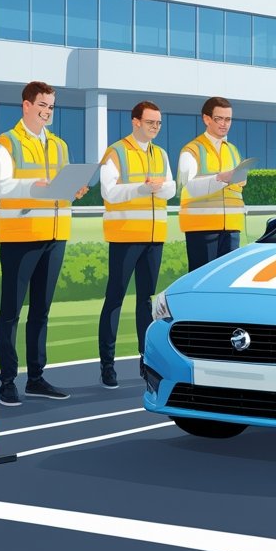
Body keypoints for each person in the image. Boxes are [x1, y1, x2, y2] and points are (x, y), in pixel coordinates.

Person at [0, 81, 87, 406]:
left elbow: (60, 185)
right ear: (26, 105)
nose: (47, 112)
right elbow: (2, 187)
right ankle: (8, 382)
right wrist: (36, 185)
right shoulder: (8, 142)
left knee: (41, 311)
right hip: (21, 236)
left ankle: (36, 377)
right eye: (42, 105)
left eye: (51, 106)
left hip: (56, 235)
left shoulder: (60, 146)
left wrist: (73, 189)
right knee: (11, 312)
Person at [97, 101, 176, 389]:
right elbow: (109, 192)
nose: (155, 127)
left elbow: (171, 188)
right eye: (150, 122)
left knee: (146, 302)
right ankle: (107, 365)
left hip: (154, 237)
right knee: (115, 299)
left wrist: (158, 187)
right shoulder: (116, 152)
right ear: (135, 122)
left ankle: (147, 361)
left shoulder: (161, 153)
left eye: (158, 123)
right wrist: (142, 188)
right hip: (125, 236)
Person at [177, 96, 246, 272]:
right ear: (206, 119)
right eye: (219, 119)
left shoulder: (233, 150)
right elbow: (188, 187)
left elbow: (237, 187)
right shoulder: (191, 150)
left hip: (231, 228)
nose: (224, 124)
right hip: (202, 228)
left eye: (228, 119)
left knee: (225, 281)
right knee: (202, 281)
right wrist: (221, 178)